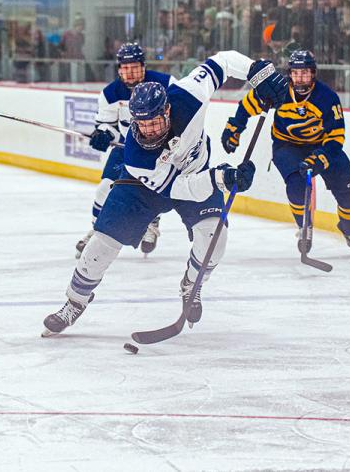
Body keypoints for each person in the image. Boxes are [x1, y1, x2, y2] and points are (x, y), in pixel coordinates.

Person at [42, 52, 285, 337]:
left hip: (196, 171)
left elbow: (222, 61)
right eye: (141, 123)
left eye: (154, 122)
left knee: (215, 239)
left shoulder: (189, 94)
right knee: (101, 244)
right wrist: (221, 178)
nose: (148, 130)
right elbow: (178, 189)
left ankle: (191, 286)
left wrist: (257, 72)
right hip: (144, 188)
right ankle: (74, 302)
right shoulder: (136, 156)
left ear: (167, 110)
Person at [221, 50, 350, 255]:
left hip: (323, 146)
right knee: (296, 184)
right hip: (287, 146)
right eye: (295, 73)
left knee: (347, 191)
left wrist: (320, 157)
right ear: (290, 74)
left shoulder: (327, 97)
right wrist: (235, 127)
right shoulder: (278, 90)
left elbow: (336, 136)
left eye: (304, 73)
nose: (300, 78)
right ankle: (304, 227)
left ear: (313, 74)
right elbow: (247, 105)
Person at [75, 42, 175, 259]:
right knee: (104, 189)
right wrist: (103, 135)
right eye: (124, 67)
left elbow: (179, 114)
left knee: (155, 189)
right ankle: (97, 231)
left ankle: (151, 222)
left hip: (161, 149)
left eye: (134, 67)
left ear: (143, 66)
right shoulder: (111, 93)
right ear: (119, 69)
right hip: (126, 148)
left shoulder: (166, 83)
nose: (129, 72)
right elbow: (107, 125)